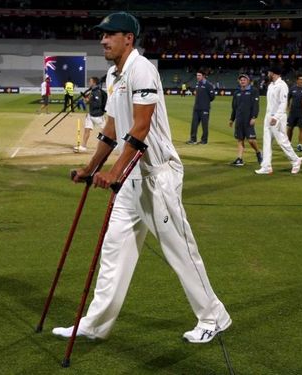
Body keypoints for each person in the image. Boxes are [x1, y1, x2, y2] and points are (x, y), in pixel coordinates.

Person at [53, 11, 231, 344]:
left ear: (128, 39)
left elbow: (140, 128)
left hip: (156, 174)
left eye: (110, 35)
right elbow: (112, 129)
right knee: (113, 250)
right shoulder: (113, 74)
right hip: (130, 179)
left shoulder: (142, 69)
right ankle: (95, 323)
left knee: (179, 248)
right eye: (101, 35)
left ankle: (213, 316)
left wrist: (113, 173)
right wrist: (90, 169)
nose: (103, 40)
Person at [255, 66, 301, 175]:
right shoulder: (271, 85)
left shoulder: (282, 85)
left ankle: (295, 160)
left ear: (274, 73)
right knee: (266, 142)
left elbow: (283, 103)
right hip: (268, 117)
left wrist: (276, 117)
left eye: (269, 73)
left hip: (278, 118)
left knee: (282, 141)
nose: (268, 75)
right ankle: (266, 166)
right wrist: (268, 117)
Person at [229, 73, 262, 166]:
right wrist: (232, 119)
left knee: (251, 140)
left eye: (244, 80)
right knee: (240, 139)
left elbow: (256, 105)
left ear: (248, 81)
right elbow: (234, 108)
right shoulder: (237, 93)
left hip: (248, 120)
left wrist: (254, 117)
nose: (242, 81)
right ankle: (239, 159)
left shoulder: (253, 91)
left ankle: (258, 152)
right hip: (239, 120)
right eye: (241, 80)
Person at [73, 76, 107, 153]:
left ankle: (107, 146)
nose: (89, 83)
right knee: (86, 130)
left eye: (90, 81)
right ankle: (83, 146)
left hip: (98, 115)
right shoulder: (92, 91)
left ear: (94, 82)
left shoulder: (97, 92)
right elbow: (91, 102)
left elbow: (97, 104)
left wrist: (89, 100)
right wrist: (86, 100)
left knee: (104, 132)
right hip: (90, 114)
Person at [186, 69, 215, 145]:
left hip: (204, 108)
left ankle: (204, 140)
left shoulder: (208, 85)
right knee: (194, 124)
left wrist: (205, 101)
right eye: (197, 75)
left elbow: (212, 97)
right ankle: (193, 139)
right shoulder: (197, 84)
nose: (197, 77)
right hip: (196, 108)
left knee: (204, 125)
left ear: (203, 76)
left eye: (199, 75)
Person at [287, 73, 302, 152]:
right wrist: (287, 107)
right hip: (292, 112)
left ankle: (299, 145)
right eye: (300, 79)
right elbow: (287, 98)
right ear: (297, 80)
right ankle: (288, 143)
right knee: (290, 128)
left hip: (301, 112)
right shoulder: (292, 88)